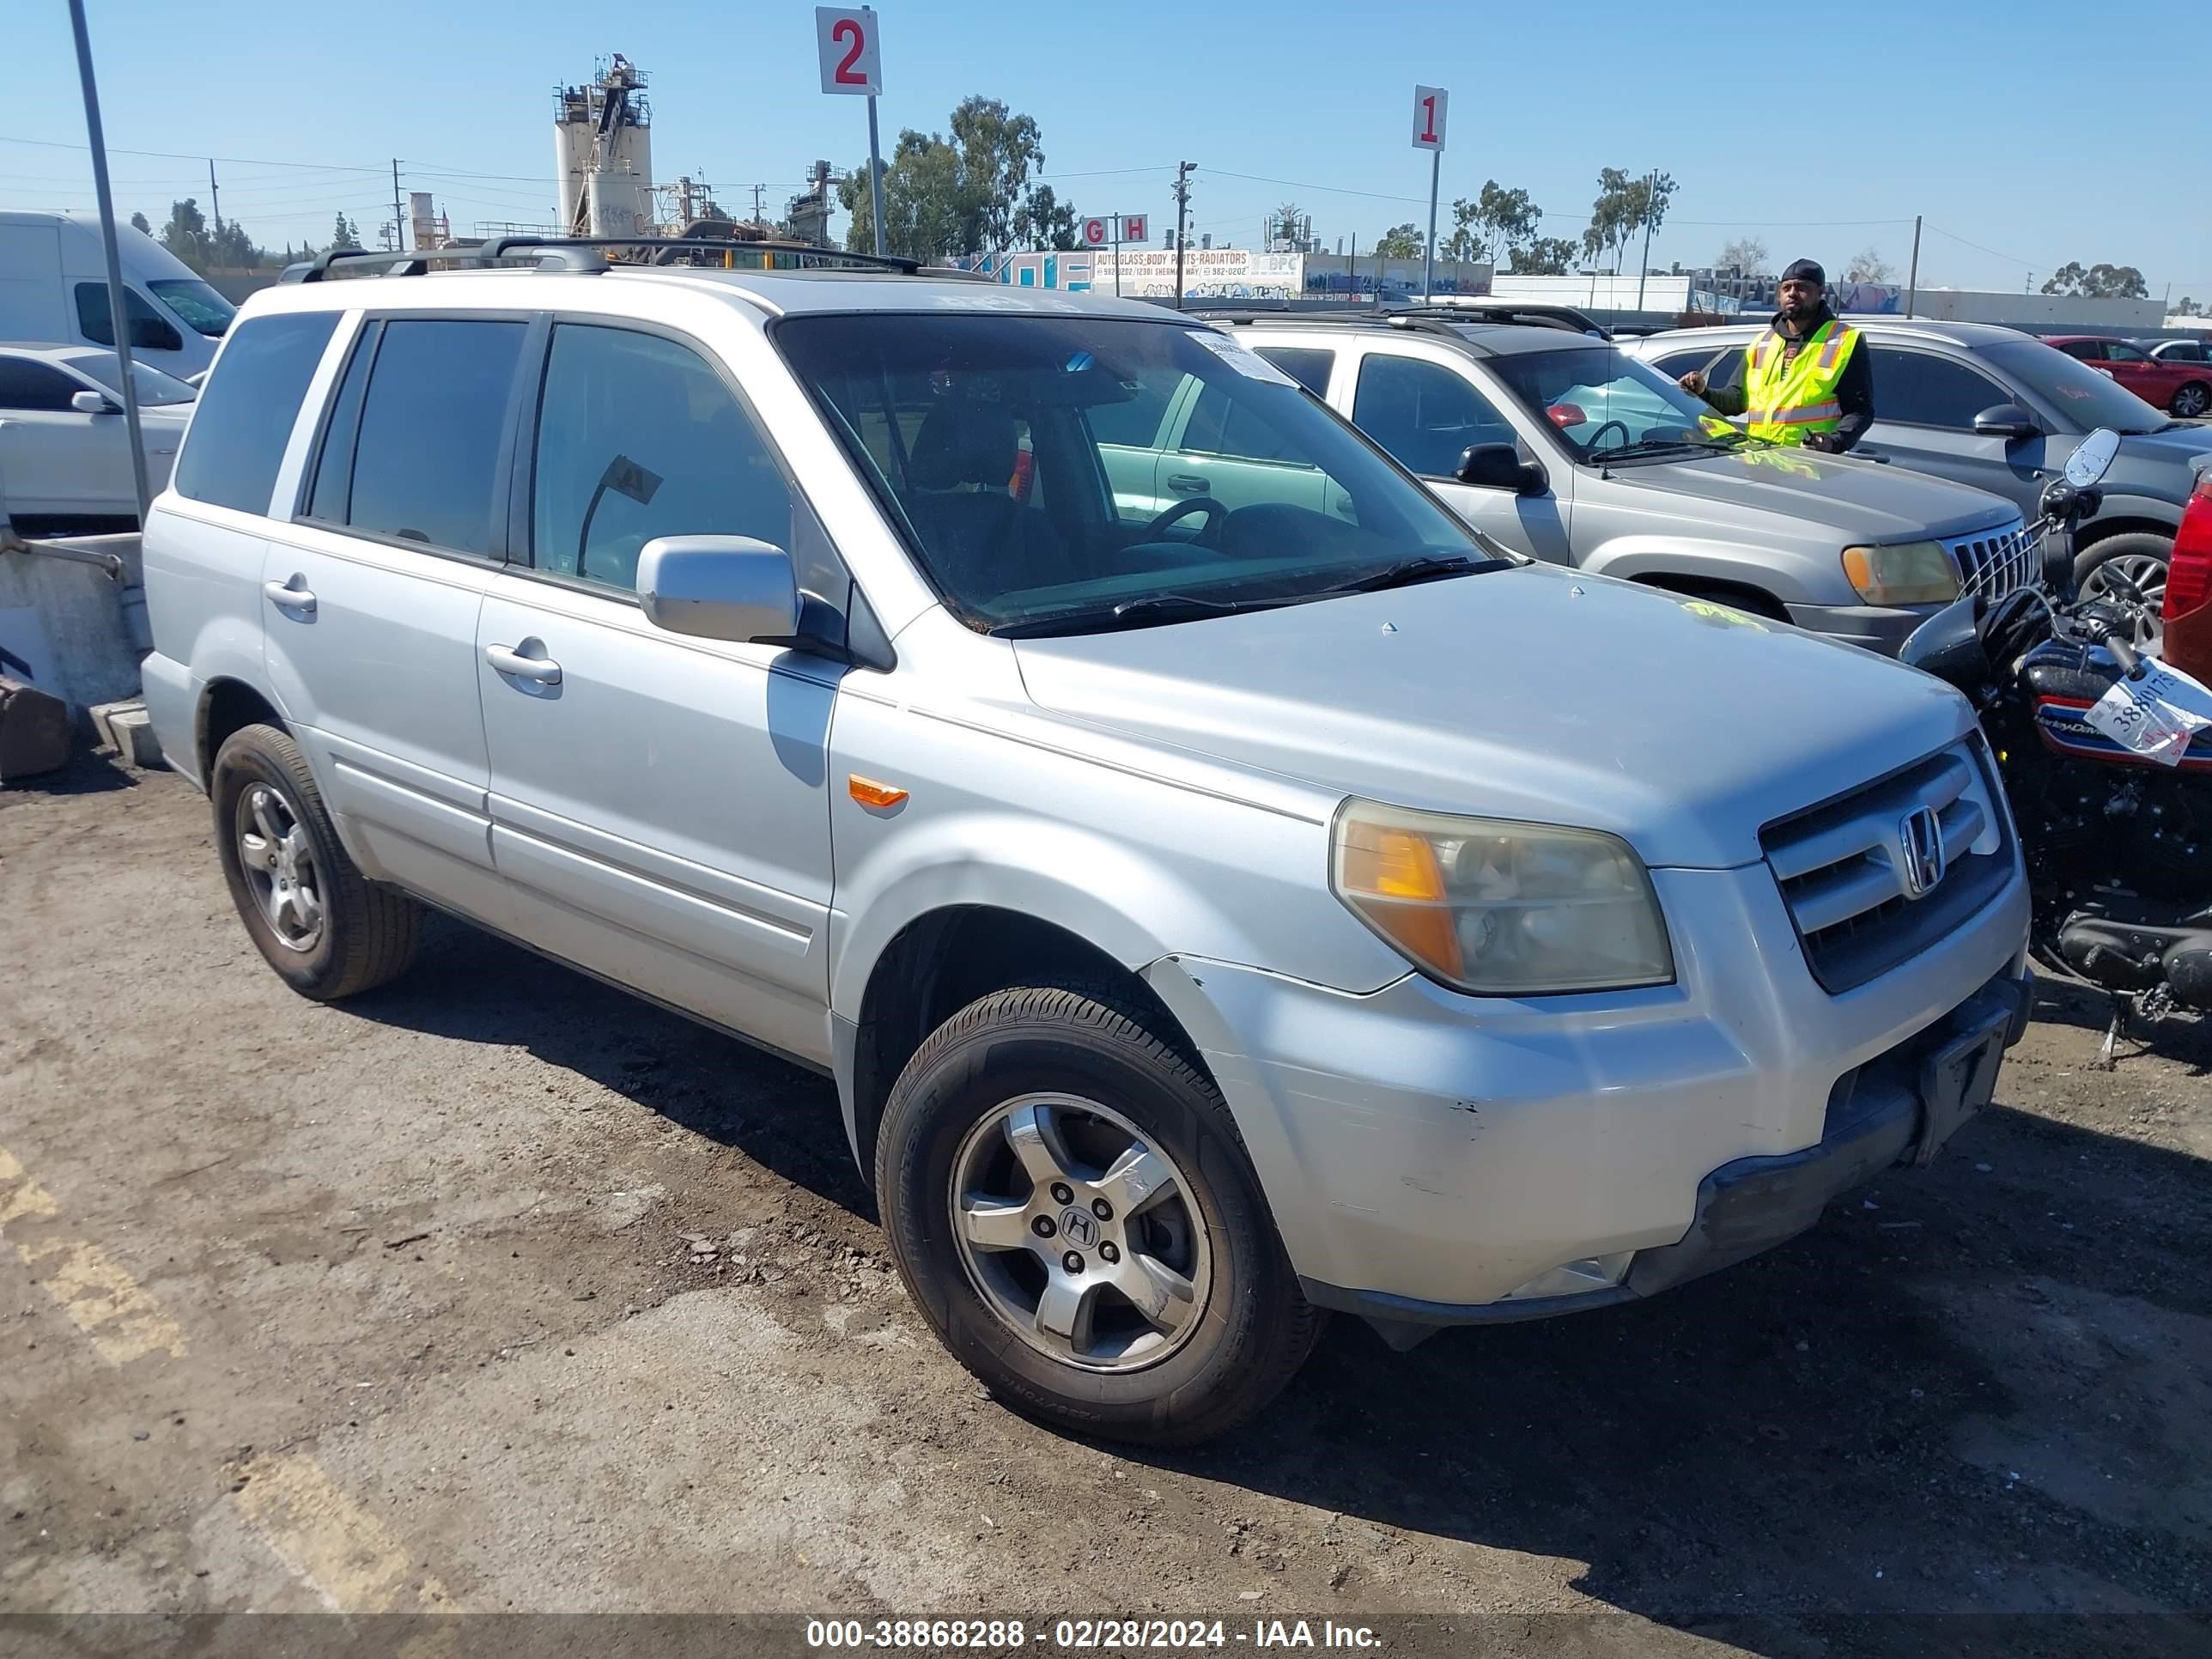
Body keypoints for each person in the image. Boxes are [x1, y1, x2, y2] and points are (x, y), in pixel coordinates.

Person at [1678, 258, 1874, 453]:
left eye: (1802, 288)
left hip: (1810, 464)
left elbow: (1860, 411)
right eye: (1786, 288)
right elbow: (1737, 400)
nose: (1792, 294)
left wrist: (1834, 442)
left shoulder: (1844, 340)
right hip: (1759, 459)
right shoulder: (1763, 342)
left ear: (1821, 292)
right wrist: (1704, 393)